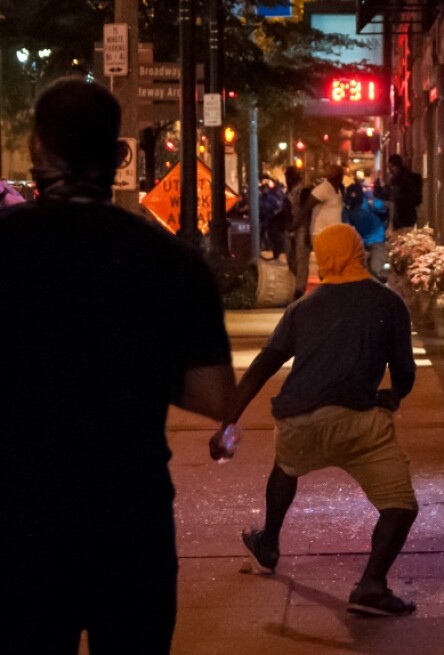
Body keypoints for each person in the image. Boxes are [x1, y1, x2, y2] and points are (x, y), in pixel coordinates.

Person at [0, 77, 236, 654]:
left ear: (37, 150)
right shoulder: (171, 262)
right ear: (118, 156)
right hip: (128, 518)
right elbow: (215, 397)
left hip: (18, 520)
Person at [209, 223, 419, 617]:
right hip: (359, 423)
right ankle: (371, 585)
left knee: (286, 465)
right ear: (357, 252)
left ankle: (268, 543)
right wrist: (393, 396)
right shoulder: (388, 303)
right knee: (400, 505)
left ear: (323, 260)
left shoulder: (303, 307)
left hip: (297, 419)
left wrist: (227, 421)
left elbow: (263, 365)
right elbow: (405, 372)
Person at [343, 180, 388, 282]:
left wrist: (389, 227)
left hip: (377, 239)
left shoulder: (370, 203)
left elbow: (389, 206)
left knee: (375, 269)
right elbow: (347, 227)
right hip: (361, 243)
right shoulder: (347, 209)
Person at [282, 166, 312, 299]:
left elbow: (305, 212)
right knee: (292, 259)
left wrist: (297, 227)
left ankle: (299, 289)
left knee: (301, 259)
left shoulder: (304, 191)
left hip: (301, 227)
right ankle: (295, 286)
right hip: (291, 227)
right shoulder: (290, 192)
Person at [301, 163, 344, 237]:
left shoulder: (339, 190)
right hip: (320, 233)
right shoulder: (322, 189)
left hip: (333, 234)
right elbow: (306, 208)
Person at [386, 154, 421, 230]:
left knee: (403, 236)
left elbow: (392, 195)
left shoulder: (402, 178)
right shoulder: (399, 177)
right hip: (405, 214)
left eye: (391, 167)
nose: (390, 170)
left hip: (404, 214)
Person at [258, 175, 286, 259]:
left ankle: (276, 255)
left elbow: (280, 207)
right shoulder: (261, 198)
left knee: (278, 240)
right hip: (265, 222)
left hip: (272, 222)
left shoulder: (274, 197)